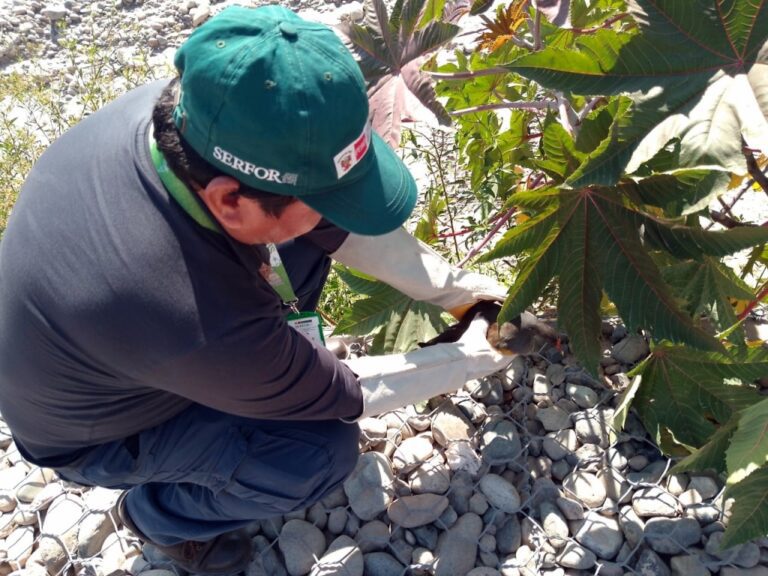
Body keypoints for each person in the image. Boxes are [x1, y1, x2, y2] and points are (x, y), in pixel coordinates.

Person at [0, 6, 511, 574]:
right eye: (324, 199)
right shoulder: (191, 314)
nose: (332, 215)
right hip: (99, 431)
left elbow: (326, 224)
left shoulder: (200, 115)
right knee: (316, 453)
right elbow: (344, 393)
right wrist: (471, 357)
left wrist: (458, 292)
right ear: (228, 202)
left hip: (121, 339)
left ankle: (255, 378)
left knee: (297, 237)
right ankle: (163, 520)